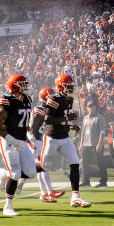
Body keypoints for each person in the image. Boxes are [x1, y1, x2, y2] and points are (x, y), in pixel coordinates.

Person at [33, 75, 89, 207]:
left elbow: (62, 118)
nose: (71, 89)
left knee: (75, 163)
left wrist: (70, 125)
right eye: (68, 86)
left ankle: (75, 197)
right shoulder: (54, 99)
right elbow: (48, 120)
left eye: (71, 86)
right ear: (61, 87)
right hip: (51, 139)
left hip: (64, 138)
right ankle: (17, 176)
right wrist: (67, 119)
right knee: (42, 167)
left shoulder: (69, 99)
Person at [0, 73, 36, 216]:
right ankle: (8, 207)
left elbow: (24, 123)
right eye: (23, 84)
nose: (26, 87)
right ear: (16, 86)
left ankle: (4, 174)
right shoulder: (6, 100)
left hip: (21, 140)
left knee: (30, 172)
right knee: (16, 173)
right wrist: (12, 140)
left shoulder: (27, 99)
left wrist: (29, 136)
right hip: (8, 140)